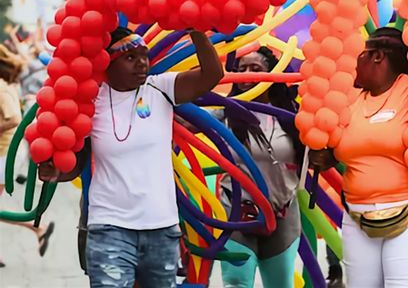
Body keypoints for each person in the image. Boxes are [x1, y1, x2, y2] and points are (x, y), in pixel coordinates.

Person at [37, 27, 222, 288]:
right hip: (109, 228)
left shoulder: (161, 88)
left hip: (162, 228)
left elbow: (212, 75)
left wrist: (196, 33)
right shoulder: (90, 101)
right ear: (106, 62)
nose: (142, 63)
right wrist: (56, 172)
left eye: (143, 55)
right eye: (130, 57)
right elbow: (76, 162)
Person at [309, 26, 408, 287]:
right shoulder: (348, 99)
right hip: (355, 216)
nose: (353, 62)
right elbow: (341, 150)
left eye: (359, 55)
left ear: (377, 57)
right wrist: (325, 157)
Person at [218, 48, 304, 288]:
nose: (247, 74)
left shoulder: (292, 118)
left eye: (256, 69)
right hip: (237, 211)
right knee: (236, 283)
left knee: (280, 285)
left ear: (272, 73)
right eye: (242, 68)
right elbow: (183, 121)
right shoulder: (224, 113)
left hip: (283, 213)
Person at [0, 46, 53, 267]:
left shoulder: (1, 87)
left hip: (4, 153)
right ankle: (36, 228)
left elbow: (13, 118)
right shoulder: (7, 84)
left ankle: (36, 227)